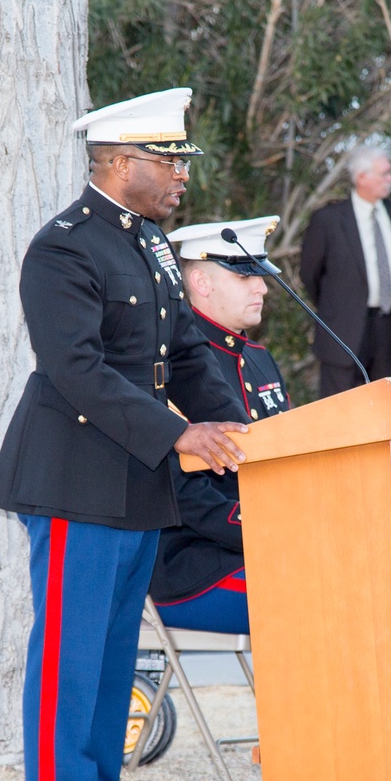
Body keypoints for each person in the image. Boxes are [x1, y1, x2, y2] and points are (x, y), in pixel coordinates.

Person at [0, 88, 249, 781]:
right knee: (72, 659)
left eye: (179, 160)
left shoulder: (153, 244)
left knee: (107, 664)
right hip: (76, 477)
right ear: (119, 162)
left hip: (137, 481)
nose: (181, 175)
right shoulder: (62, 247)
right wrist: (181, 433)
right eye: (168, 160)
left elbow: (190, 358)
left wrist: (245, 431)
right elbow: (75, 369)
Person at [149, 218, 290, 633]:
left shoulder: (258, 357)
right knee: (332, 592)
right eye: (246, 276)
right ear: (201, 282)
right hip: (195, 564)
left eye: (261, 277)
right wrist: (274, 530)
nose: (262, 287)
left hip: (263, 547)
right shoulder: (169, 365)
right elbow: (179, 492)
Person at [300, 144, 391, 397]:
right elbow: (310, 274)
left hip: (388, 327)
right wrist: (337, 308)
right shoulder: (328, 220)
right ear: (362, 178)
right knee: (339, 412)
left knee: (384, 409)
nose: (390, 179)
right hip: (343, 331)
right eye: (384, 174)